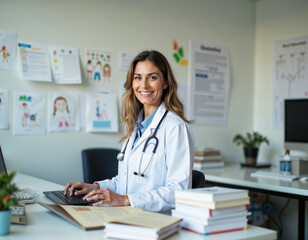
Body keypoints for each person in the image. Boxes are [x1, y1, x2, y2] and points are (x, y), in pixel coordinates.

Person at [64, 50, 194, 212]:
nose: (144, 85)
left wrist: (126, 200)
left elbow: (178, 190)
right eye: (138, 77)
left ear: (165, 83)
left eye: (152, 77)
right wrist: (94, 187)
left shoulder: (175, 127)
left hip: (156, 221)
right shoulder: (133, 125)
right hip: (126, 215)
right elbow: (126, 181)